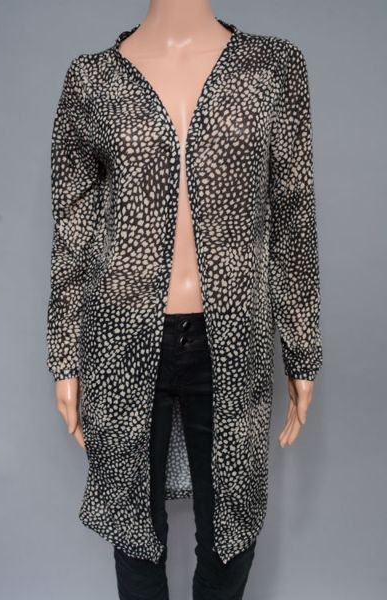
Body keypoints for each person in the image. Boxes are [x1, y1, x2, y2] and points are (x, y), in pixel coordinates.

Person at [46, 2, 323, 599]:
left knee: (231, 531)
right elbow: (72, 230)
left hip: (235, 335)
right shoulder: (92, 79)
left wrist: (302, 350)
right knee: (134, 532)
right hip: (120, 336)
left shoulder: (272, 67)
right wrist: (65, 358)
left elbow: (293, 216)